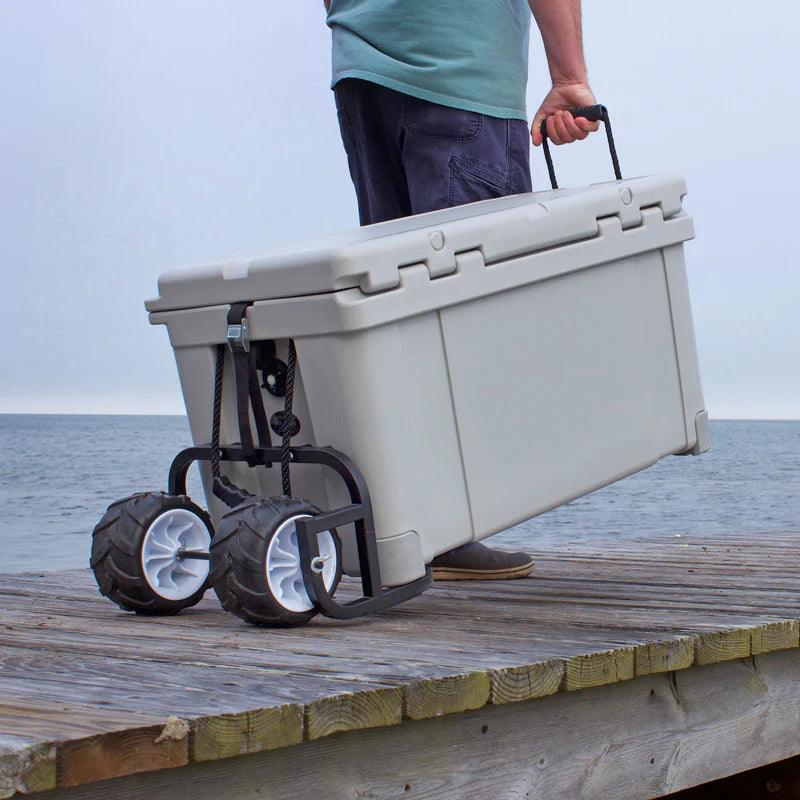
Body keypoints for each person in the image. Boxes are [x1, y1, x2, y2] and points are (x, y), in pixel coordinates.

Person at [325, 0, 600, 580]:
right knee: (468, 318)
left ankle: (413, 525)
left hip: (362, 67)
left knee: (401, 307)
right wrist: (569, 79)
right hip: (460, 72)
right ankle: (445, 529)